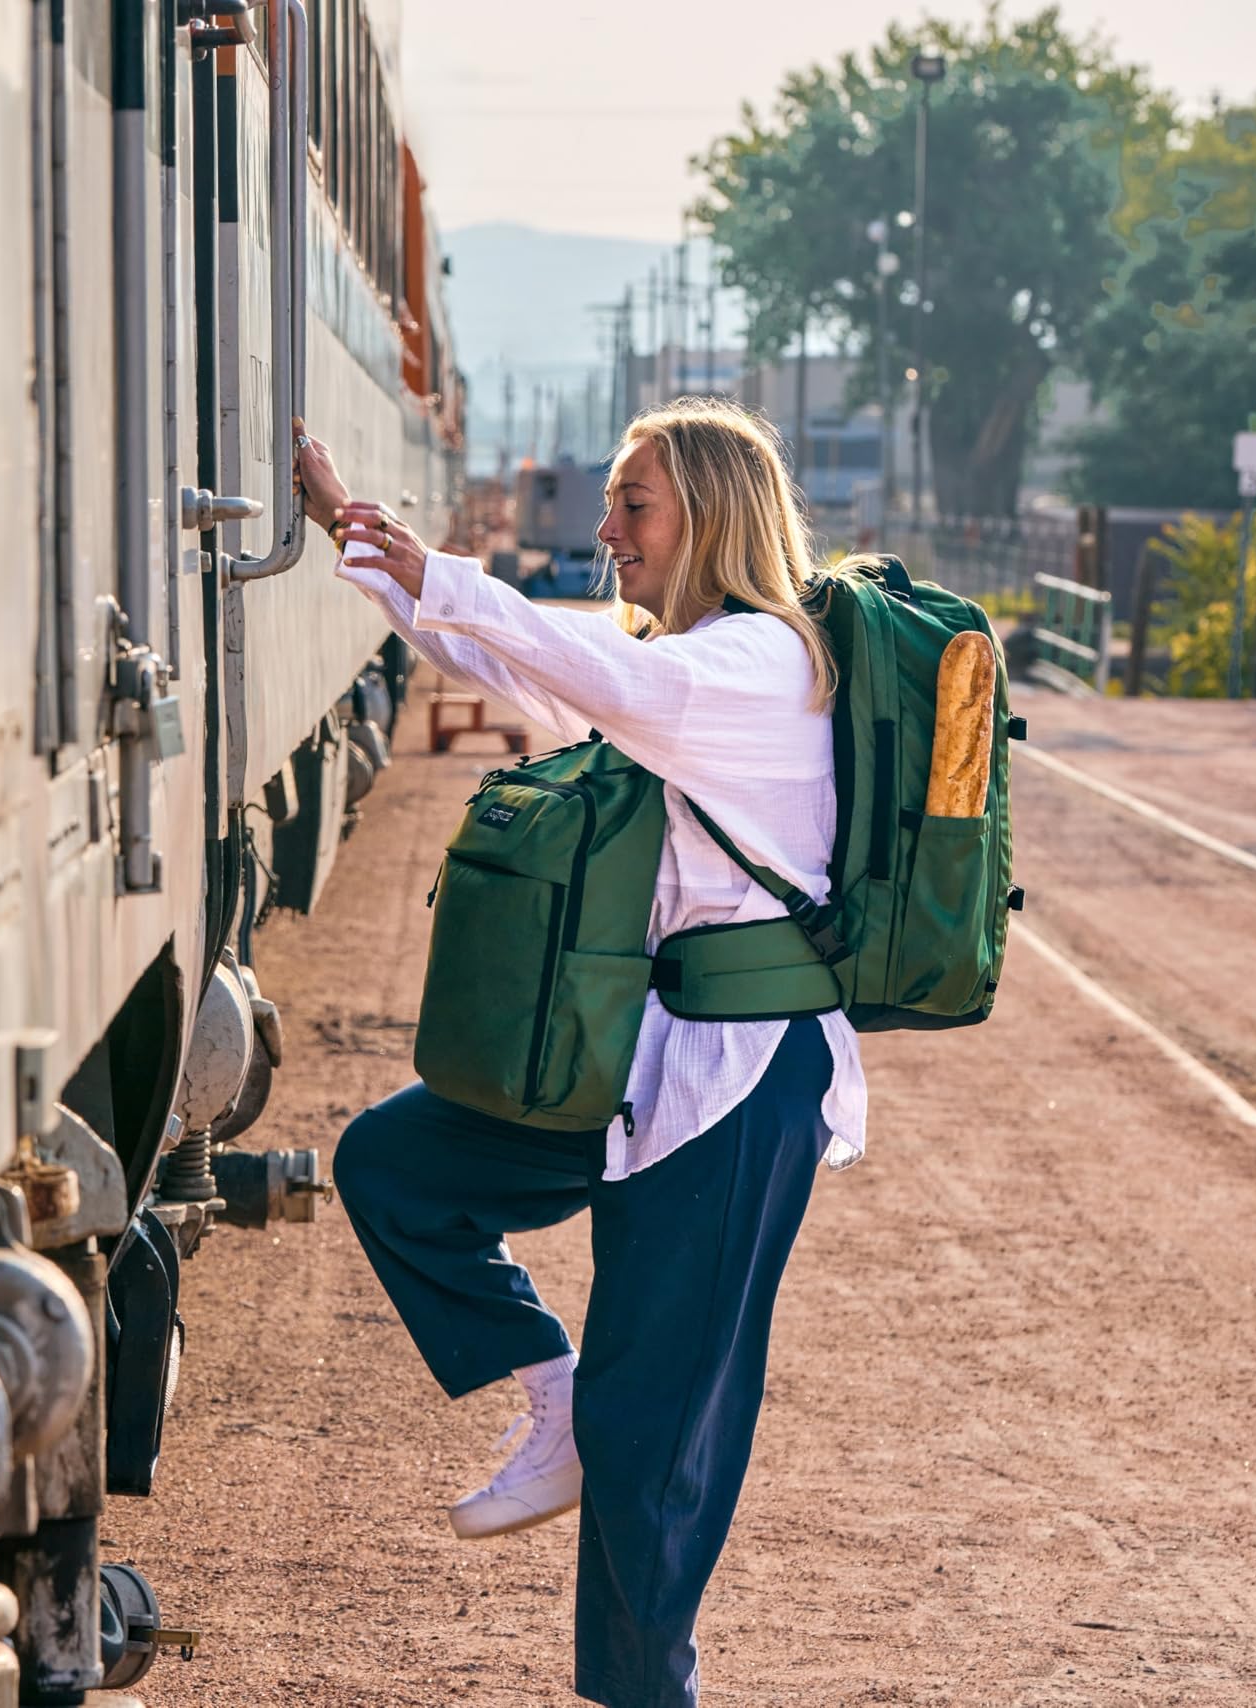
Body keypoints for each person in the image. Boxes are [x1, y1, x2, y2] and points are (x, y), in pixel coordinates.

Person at [292, 398, 868, 1708]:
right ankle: (547, 1395)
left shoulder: (754, 668)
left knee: (656, 1440)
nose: (606, 531)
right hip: (638, 1061)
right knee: (397, 1166)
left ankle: (646, 1690)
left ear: (710, 515)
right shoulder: (692, 659)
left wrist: (425, 559)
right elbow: (523, 667)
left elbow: (584, 668)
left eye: (635, 505)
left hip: (736, 1085)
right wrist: (356, 534)